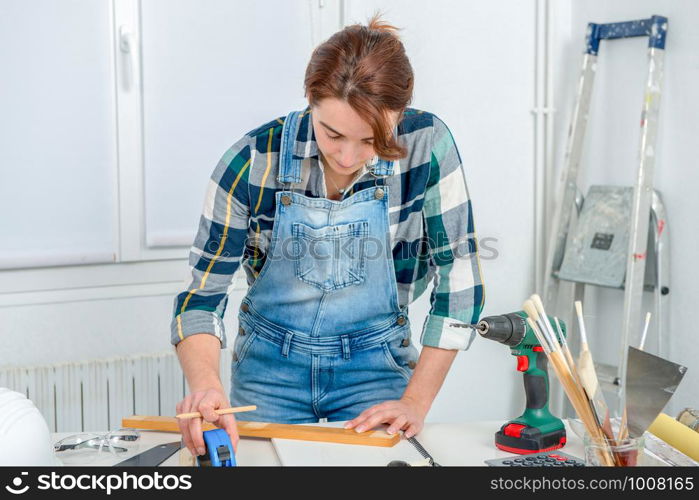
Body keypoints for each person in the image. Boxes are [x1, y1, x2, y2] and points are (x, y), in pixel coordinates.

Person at [171, 15, 485, 459]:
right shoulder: (249, 162)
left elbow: (460, 281)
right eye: (332, 133)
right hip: (268, 371)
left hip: (375, 368)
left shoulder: (428, 144)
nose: (348, 156)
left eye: (372, 140)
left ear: (400, 112)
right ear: (310, 101)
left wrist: (416, 400)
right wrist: (206, 388)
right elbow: (202, 299)